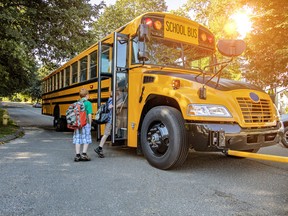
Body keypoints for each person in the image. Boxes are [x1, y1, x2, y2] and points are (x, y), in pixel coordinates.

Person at [94, 89, 125, 158]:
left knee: (117, 123)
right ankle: (99, 148)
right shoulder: (111, 100)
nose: (118, 97)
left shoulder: (111, 99)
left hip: (111, 120)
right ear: (116, 95)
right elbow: (111, 108)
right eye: (118, 96)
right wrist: (118, 105)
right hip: (109, 120)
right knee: (106, 134)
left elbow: (115, 111)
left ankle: (115, 134)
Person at [73, 88, 93, 162]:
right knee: (86, 138)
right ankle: (84, 154)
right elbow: (89, 115)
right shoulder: (88, 103)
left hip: (77, 123)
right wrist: (90, 124)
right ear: (87, 95)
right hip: (85, 123)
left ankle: (77, 155)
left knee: (77, 138)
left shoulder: (77, 103)